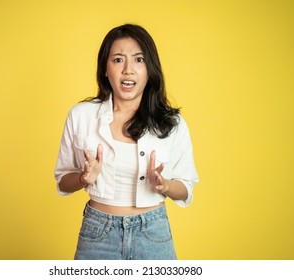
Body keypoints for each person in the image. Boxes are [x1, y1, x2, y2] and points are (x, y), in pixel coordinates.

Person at [54, 23, 199, 260]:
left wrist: (165, 186)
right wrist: (83, 178)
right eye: (118, 60)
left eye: (139, 60)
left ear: (150, 69)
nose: (128, 70)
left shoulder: (172, 123)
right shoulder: (80, 116)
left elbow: (186, 189)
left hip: (153, 234)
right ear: (105, 69)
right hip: (98, 234)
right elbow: (62, 182)